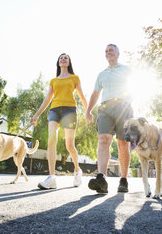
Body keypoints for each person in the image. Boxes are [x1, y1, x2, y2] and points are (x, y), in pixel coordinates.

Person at [31, 53, 87, 189]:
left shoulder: (75, 78)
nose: (63, 59)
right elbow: (47, 99)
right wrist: (37, 114)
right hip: (54, 110)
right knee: (51, 141)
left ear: (69, 62)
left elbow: (81, 95)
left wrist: (88, 111)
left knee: (69, 146)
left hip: (69, 111)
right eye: (61, 58)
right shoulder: (53, 81)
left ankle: (77, 170)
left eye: (65, 58)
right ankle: (52, 178)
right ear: (58, 62)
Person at [85, 44, 133, 193]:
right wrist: (88, 111)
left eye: (111, 50)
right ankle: (101, 178)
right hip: (105, 108)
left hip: (123, 108)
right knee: (104, 138)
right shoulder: (102, 74)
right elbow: (95, 94)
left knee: (123, 143)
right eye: (106, 51)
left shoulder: (126, 70)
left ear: (118, 53)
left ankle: (123, 179)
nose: (108, 53)